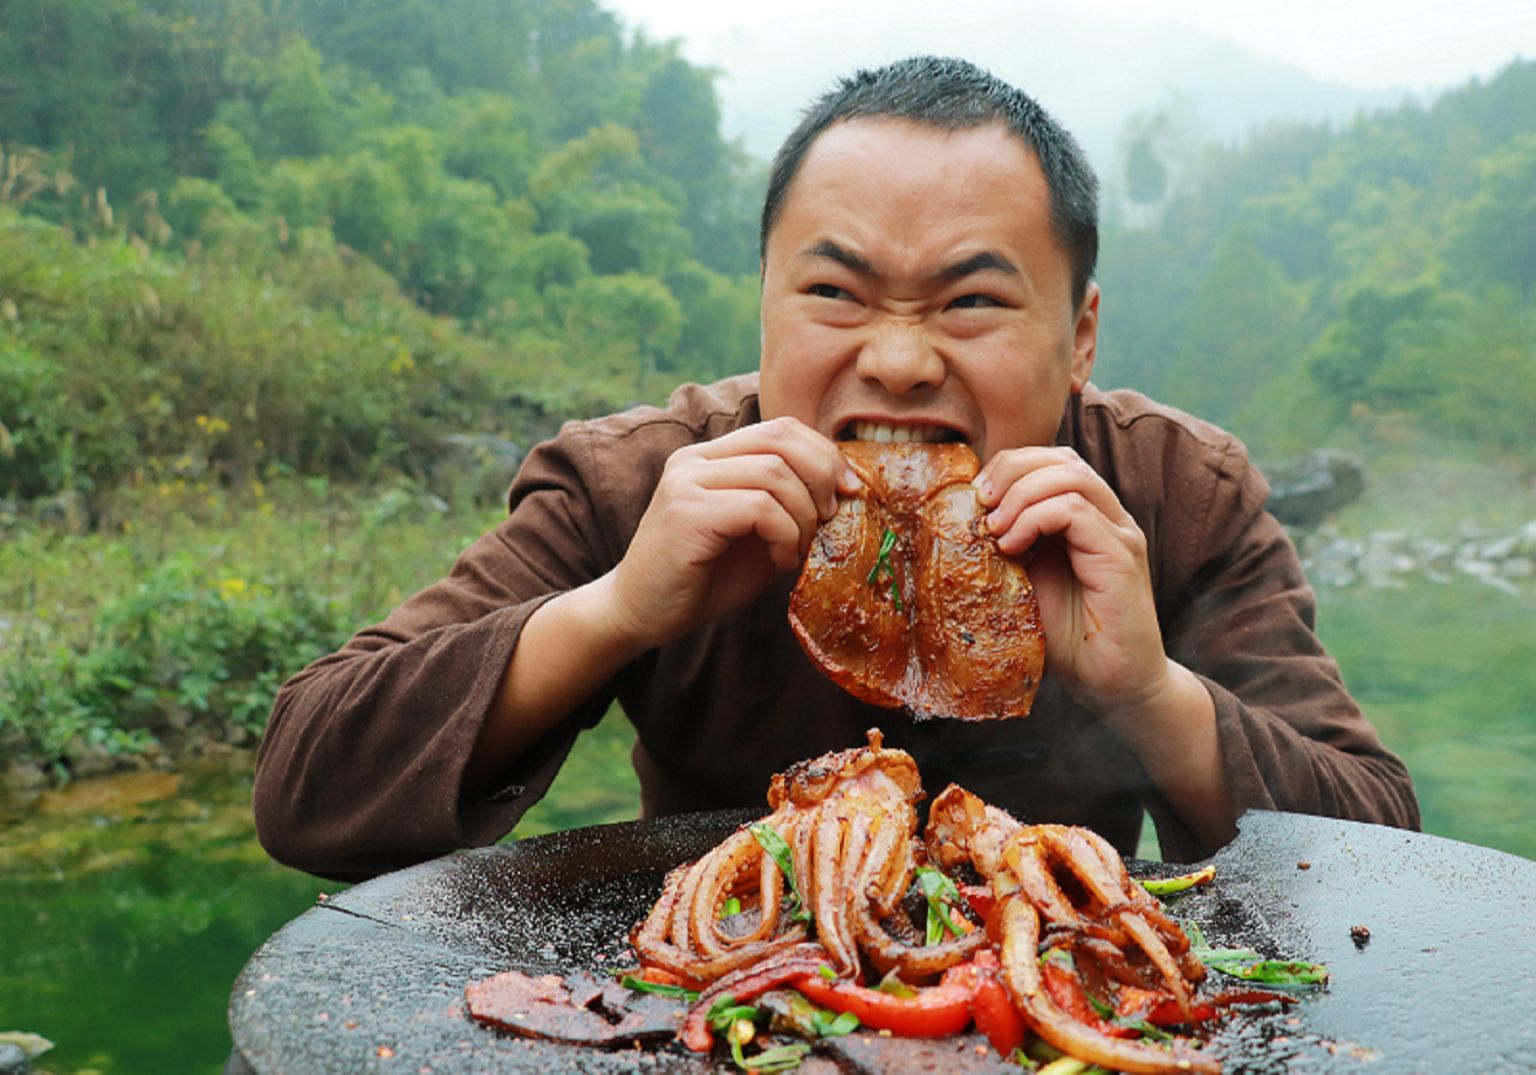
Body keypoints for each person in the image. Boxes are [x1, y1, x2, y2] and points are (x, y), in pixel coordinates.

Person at [254, 56, 1418, 882]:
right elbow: (306, 790)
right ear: (761, 305)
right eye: (834, 293)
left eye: (970, 301)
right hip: (723, 1004)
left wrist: (1152, 697)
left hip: (1056, 1004)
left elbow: (1383, 856)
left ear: (1079, 336)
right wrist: (612, 613)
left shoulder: (1173, 493)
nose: (900, 361)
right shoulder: (637, 484)